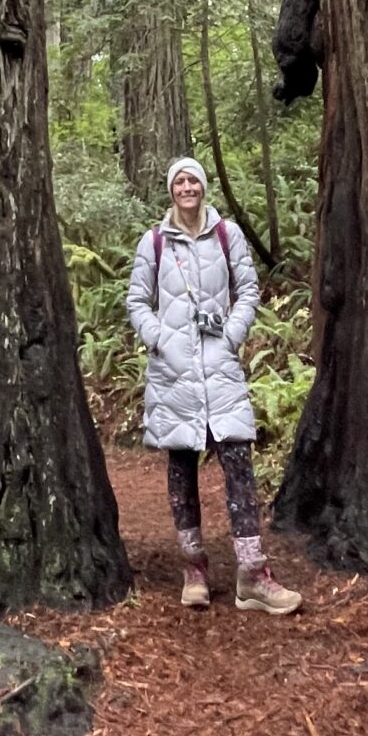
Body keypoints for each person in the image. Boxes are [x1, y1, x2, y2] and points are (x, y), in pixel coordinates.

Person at [127, 156, 301, 615]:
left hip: (220, 369)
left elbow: (248, 289)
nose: (187, 188)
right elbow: (137, 301)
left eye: (193, 181)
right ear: (171, 190)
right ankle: (194, 569)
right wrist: (160, 339)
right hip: (174, 373)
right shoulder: (154, 243)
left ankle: (252, 575)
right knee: (181, 470)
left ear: (203, 188)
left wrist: (232, 336)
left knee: (239, 466)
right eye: (179, 181)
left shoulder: (228, 235)